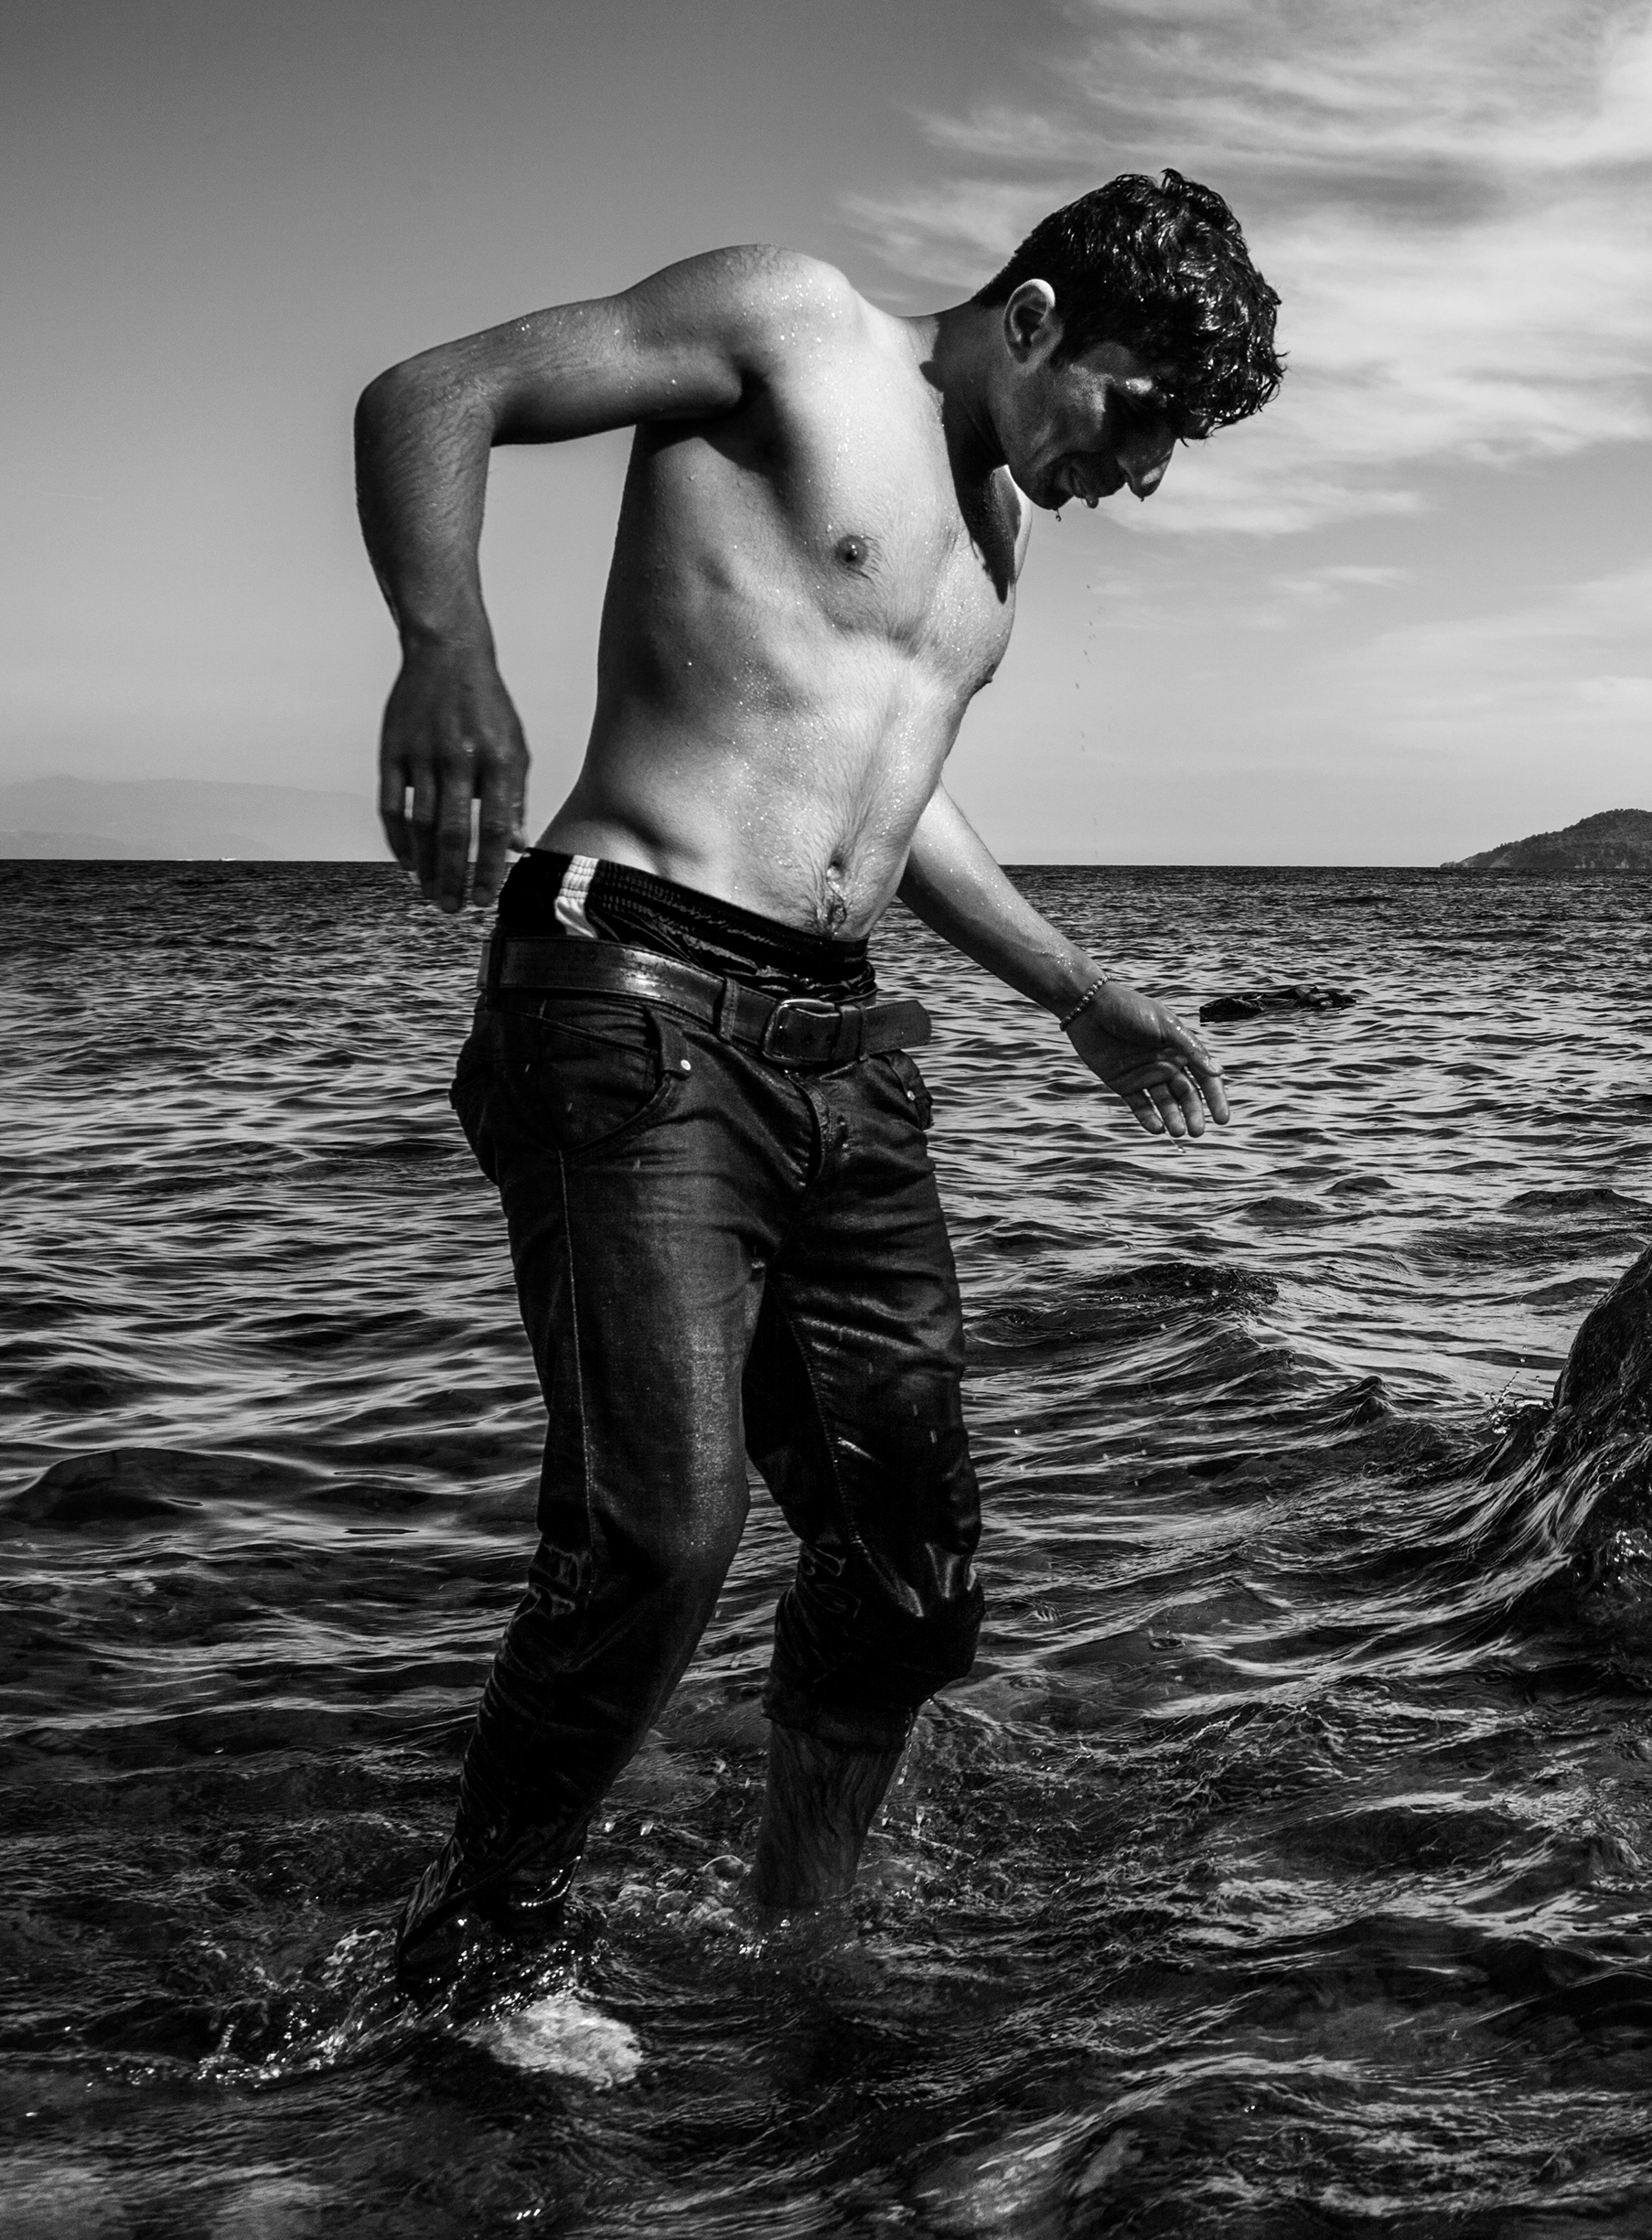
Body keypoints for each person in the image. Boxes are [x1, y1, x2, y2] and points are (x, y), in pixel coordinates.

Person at [352, 170, 1277, 2008]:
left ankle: (800, 1925)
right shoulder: (791, 328)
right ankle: (483, 1949)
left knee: (911, 1562)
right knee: (661, 1528)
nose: (1148, 469)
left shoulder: (993, 540)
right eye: (1140, 410)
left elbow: (886, 792)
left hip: (838, 1049)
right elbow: (430, 394)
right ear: (1032, 322)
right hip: (630, 995)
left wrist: (1078, 992)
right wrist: (444, 644)